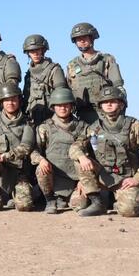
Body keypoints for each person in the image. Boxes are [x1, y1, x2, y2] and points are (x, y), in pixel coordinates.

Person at [77, 86, 139, 217]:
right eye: (105, 102)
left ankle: (119, 199)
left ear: (121, 104)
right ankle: (97, 202)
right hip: (103, 176)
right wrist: (82, 158)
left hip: (125, 179)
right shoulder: (94, 128)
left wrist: (138, 178)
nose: (108, 104)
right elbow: (76, 146)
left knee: (129, 211)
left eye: (113, 101)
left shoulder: (135, 126)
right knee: (77, 203)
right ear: (100, 106)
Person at [30, 87, 100, 215]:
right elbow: (34, 151)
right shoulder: (45, 127)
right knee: (41, 169)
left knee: (79, 205)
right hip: (54, 177)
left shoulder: (83, 127)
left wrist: (84, 181)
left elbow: (93, 155)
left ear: (72, 106)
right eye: (59, 105)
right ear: (53, 107)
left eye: (66, 105)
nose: (63, 108)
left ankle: (65, 199)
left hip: (75, 180)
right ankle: (50, 200)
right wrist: (41, 160)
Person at [66, 22, 125, 124]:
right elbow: (67, 92)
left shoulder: (107, 60)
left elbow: (119, 88)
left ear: (92, 38)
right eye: (78, 39)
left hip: (105, 114)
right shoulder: (72, 65)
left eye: (85, 37)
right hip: (82, 116)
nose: (82, 41)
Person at [21, 34, 67, 125]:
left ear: (43, 50)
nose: (35, 53)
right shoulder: (28, 74)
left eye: (37, 50)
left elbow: (62, 96)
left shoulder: (54, 70)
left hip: (52, 119)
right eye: (32, 51)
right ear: (28, 53)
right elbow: (26, 98)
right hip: (32, 119)